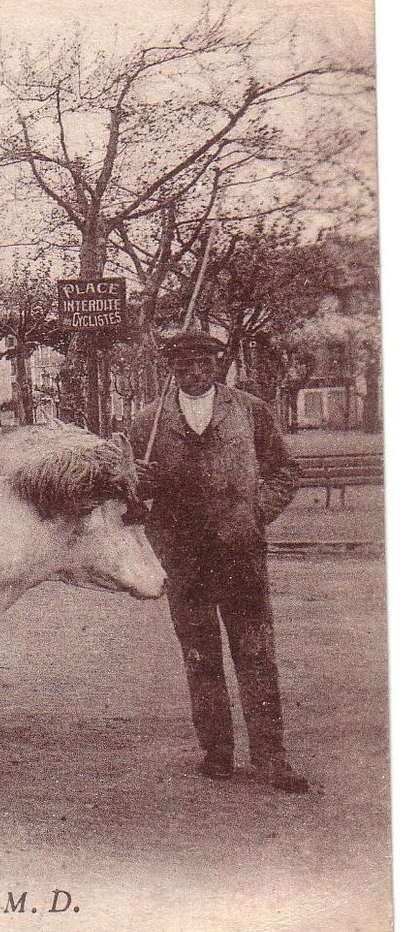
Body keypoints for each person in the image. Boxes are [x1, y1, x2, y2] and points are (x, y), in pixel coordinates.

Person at [128, 330, 309, 793]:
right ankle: (218, 752)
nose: (195, 371)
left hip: (240, 553)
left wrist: (258, 512)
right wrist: (138, 481)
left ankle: (271, 757)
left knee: (255, 653)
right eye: (185, 364)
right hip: (184, 558)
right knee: (200, 656)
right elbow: (135, 500)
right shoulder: (147, 424)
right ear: (171, 368)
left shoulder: (249, 411)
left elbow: (285, 470)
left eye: (204, 362)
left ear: (217, 364)